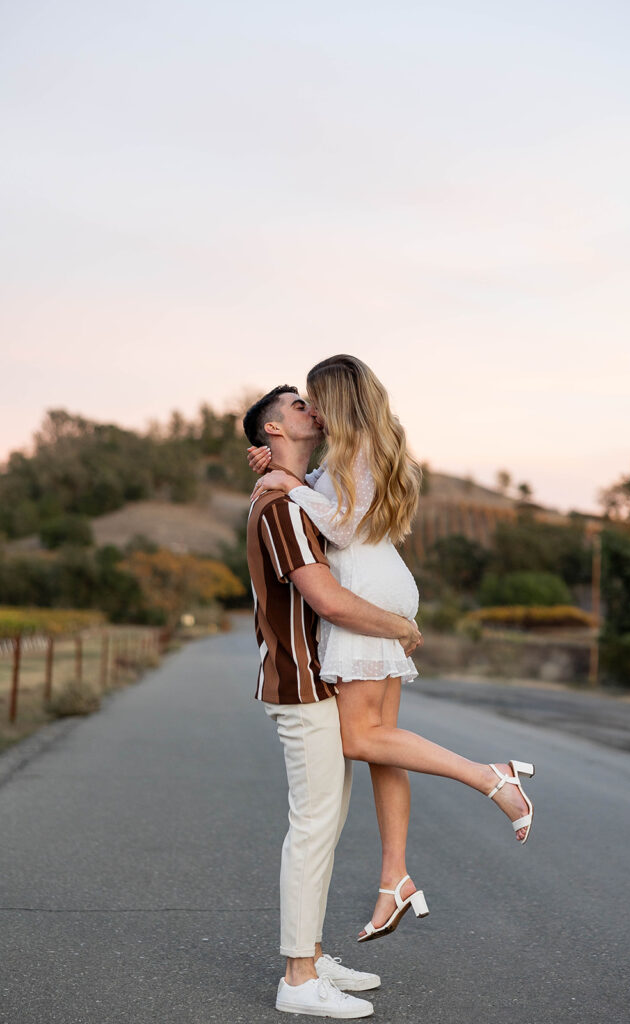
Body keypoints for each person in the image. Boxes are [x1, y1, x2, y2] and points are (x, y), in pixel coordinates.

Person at [249, 355, 536, 944]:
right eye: (303, 403)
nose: (313, 409)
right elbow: (338, 509)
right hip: (382, 583)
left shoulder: (360, 451)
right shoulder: (353, 450)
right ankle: (395, 878)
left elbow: (343, 529)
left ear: (338, 397)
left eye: (315, 398)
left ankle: (491, 776)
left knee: (359, 737)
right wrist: (291, 479)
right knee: (384, 748)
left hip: (365, 593)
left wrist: (289, 488)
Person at [243, 385, 423, 1019]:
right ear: (271, 427)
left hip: (317, 682)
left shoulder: (298, 493)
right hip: (301, 684)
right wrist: (400, 627)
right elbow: (328, 600)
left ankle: (313, 958)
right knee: (314, 827)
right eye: (296, 406)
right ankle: (298, 978)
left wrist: (288, 474)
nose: (309, 410)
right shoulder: (282, 509)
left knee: (323, 824)